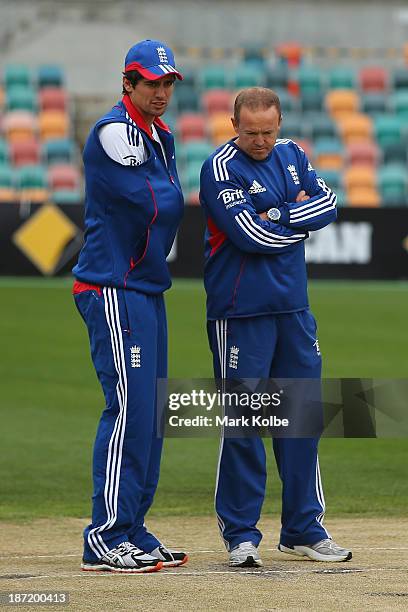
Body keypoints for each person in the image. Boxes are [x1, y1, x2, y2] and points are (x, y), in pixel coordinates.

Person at [199, 87, 352, 566]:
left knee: (303, 417)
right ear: (234, 125)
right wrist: (292, 220)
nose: (261, 141)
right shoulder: (219, 167)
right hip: (241, 312)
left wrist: (280, 214)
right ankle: (241, 534)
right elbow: (251, 235)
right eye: (251, 133)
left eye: (268, 131)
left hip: (294, 309)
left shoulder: (293, 154)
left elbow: (327, 203)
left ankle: (304, 528)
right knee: (244, 423)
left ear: (279, 124)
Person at [72, 39, 187, 573]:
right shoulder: (115, 131)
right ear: (128, 84)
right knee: (127, 409)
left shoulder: (157, 134)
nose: (160, 93)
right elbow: (157, 200)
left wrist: (170, 196)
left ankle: (133, 528)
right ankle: (104, 536)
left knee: (150, 414)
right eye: (151, 83)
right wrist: (171, 196)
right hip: (112, 285)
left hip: (142, 285)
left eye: (167, 84)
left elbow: (166, 198)